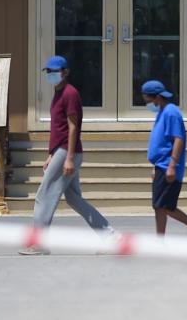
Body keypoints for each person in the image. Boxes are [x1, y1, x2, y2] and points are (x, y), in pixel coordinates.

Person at [18, 56, 117, 255]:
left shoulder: (70, 94)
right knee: (73, 199)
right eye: (49, 71)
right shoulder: (58, 93)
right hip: (61, 151)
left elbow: (73, 128)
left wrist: (69, 157)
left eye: (56, 71)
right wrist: (51, 155)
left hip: (67, 151)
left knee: (44, 195)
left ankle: (39, 243)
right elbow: (59, 128)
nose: (52, 75)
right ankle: (111, 238)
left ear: (66, 72)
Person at [143, 80, 187, 238]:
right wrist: (155, 166)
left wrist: (172, 165)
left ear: (157, 97)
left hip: (168, 166)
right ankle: (168, 237)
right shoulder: (163, 112)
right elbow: (162, 141)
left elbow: (178, 139)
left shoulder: (171, 112)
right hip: (161, 165)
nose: (148, 103)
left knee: (163, 205)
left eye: (148, 99)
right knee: (160, 205)